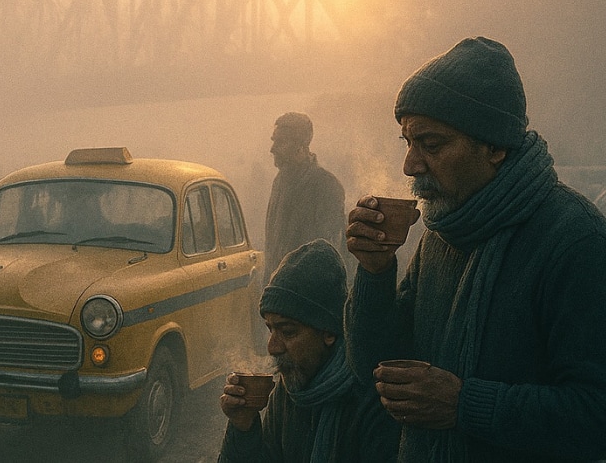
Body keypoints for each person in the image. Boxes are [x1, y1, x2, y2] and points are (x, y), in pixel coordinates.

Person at [345, 37, 606, 461]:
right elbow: (375, 367)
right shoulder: (443, 233)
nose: (410, 165)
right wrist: (374, 272)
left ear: (495, 147)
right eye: (407, 143)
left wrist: (466, 405)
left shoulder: (575, 240)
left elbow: (596, 415)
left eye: (432, 144)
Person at [218, 240, 400, 462]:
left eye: (288, 331)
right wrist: (242, 426)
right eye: (270, 329)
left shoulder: (369, 399)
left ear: (329, 333)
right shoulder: (289, 392)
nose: (272, 347)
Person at [264, 112, 347, 283]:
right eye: (274, 140)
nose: (273, 149)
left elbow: (326, 252)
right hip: (278, 289)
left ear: (300, 146)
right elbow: (272, 245)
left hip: (307, 294)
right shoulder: (279, 182)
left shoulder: (326, 186)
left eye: (280, 142)